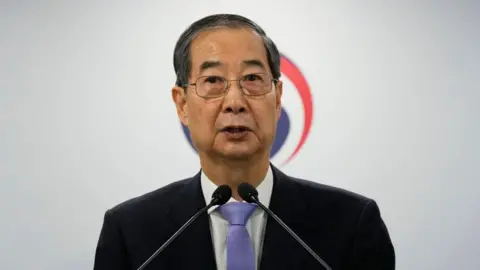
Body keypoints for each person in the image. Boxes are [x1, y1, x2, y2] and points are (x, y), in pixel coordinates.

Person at [93, 13, 395, 270]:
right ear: (182, 104)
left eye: (252, 79)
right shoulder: (132, 232)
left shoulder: (351, 224)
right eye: (213, 81)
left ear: (277, 99)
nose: (235, 102)